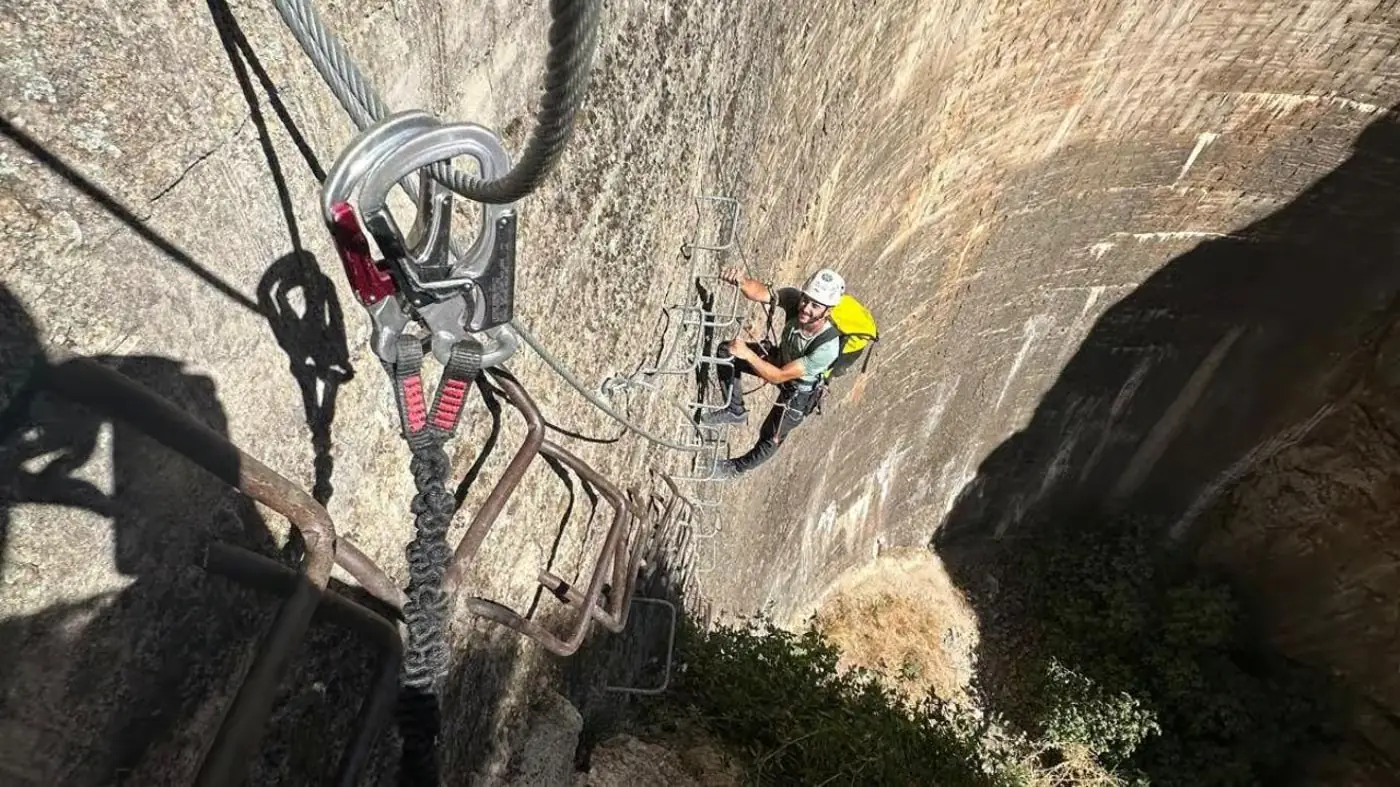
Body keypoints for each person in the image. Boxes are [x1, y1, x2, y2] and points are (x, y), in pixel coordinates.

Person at [698, 266, 846, 477]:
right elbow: (760, 293)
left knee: (771, 437)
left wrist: (748, 355)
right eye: (806, 300)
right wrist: (741, 281)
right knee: (726, 350)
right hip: (781, 360)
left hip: (798, 392)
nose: (805, 308)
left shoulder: (827, 346)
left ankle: (736, 468)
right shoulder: (794, 299)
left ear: (827, 311)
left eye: (815, 306)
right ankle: (734, 409)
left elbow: (779, 375)